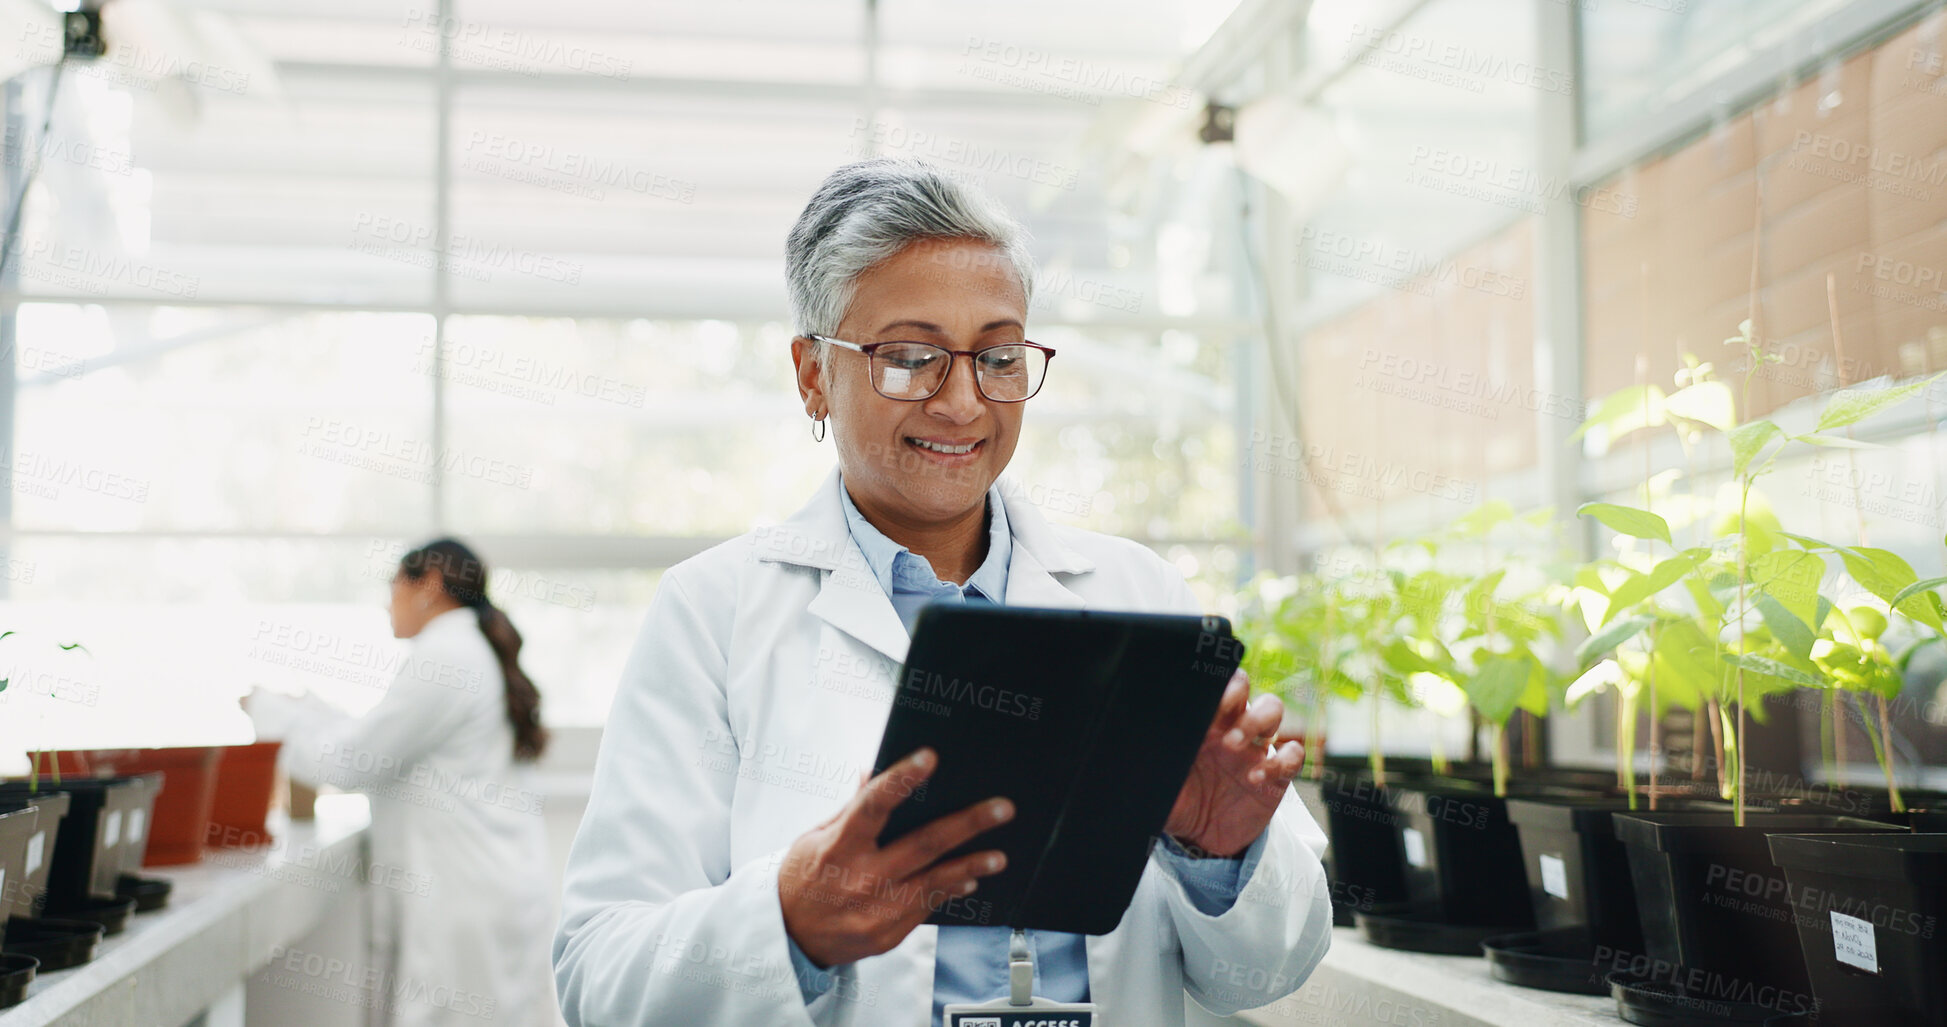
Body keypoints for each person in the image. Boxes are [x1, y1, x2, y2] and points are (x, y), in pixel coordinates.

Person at [554, 158, 1331, 1027]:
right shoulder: (714, 612)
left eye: (997, 355)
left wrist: (1221, 854)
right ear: (813, 372)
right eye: (910, 357)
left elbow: (1264, 975)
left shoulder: (1138, 591)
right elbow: (598, 978)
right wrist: (786, 921)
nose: (962, 401)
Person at [250, 538, 558, 1027]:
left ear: (429, 585)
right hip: (489, 888)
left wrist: (275, 717)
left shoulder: (448, 656)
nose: (386, 602)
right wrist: (309, 713)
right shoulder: (465, 648)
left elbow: (354, 761)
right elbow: (390, 744)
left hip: (468, 898)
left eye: (393, 586)